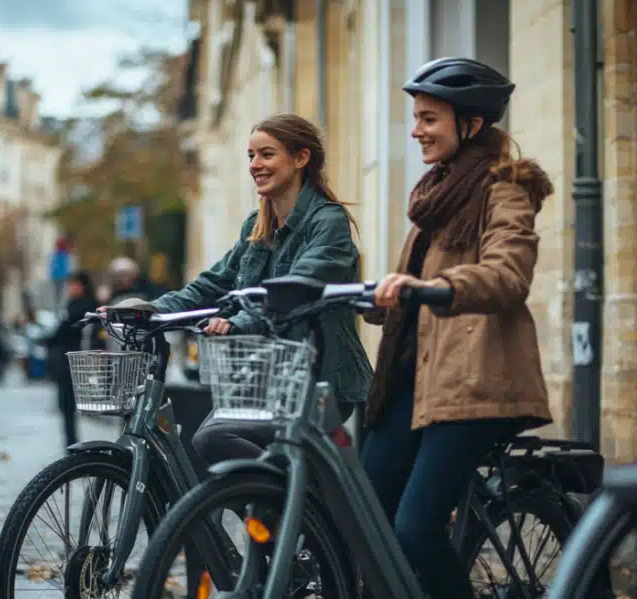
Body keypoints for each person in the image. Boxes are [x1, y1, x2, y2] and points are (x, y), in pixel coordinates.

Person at [360, 57, 555, 599]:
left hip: (477, 385)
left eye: (430, 119)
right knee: (368, 515)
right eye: (416, 118)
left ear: (470, 124)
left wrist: (439, 287)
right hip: (418, 380)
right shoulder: (437, 196)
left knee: (416, 529)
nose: (417, 130)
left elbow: (508, 273)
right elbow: (414, 288)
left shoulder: (504, 188)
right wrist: (378, 299)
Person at [121, 112, 372, 467]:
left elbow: (295, 288)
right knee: (207, 446)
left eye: (267, 154)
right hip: (268, 378)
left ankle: (296, 513)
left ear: (301, 159)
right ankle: (274, 514)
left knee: (214, 438)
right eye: (251, 156)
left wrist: (240, 320)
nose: (255, 165)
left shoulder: (327, 222)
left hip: (322, 380)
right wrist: (151, 310)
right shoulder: (257, 226)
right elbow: (215, 282)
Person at [44, 271, 102, 448]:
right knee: (67, 407)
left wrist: (51, 338)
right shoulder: (76, 304)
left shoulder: (83, 306)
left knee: (68, 405)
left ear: (81, 285)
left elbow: (67, 330)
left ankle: (72, 444)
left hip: (76, 361)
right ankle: (71, 442)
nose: (70, 288)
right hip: (71, 361)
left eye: (73, 284)